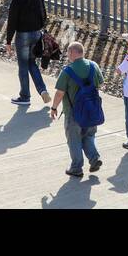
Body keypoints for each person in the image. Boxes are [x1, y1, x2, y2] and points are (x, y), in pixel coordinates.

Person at [50, 41, 105, 177]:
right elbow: (100, 84)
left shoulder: (68, 71)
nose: (68, 55)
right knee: (88, 135)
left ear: (72, 53)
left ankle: (76, 168)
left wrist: (54, 107)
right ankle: (94, 159)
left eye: (68, 52)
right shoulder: (94, 66)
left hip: (73, 112)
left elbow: (60, 93)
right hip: (91, 110)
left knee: (74, 139)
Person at [4, 0, 51, 106]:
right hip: (37, 33)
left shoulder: (17, 0)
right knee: (32, 63)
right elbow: (44, 14)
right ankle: (42, 90)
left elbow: (12, 23)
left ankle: (25, 96)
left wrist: (8, 41)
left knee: (23, 66)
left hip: (22, 36)